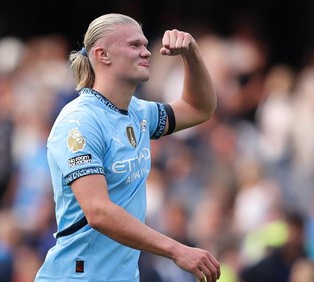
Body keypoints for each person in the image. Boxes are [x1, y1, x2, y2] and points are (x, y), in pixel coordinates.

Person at [34, 13, 220, 282]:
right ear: (103, 54)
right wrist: (176, 249)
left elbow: (199, 108)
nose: (146, 52)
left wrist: (191, 53)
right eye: (134, 45)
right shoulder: (80, 121)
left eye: (145, 45)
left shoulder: (140, 112)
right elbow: (98, 211)